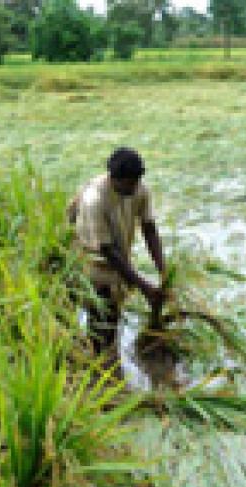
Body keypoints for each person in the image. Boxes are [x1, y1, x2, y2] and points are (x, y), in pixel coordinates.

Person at [68, 147, 167, 353]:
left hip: (118, 257)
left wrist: (163, 270)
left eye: (136, 182)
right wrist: (144, 286)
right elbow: (107, 250)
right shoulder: (94, 198)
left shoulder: (140, 189)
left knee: (112, 319)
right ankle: (99, 365)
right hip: (91, 260)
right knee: (101, 319)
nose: (133, 188)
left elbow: (149, 229)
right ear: (113, 178)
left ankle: (106, 363)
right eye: (128, 183)